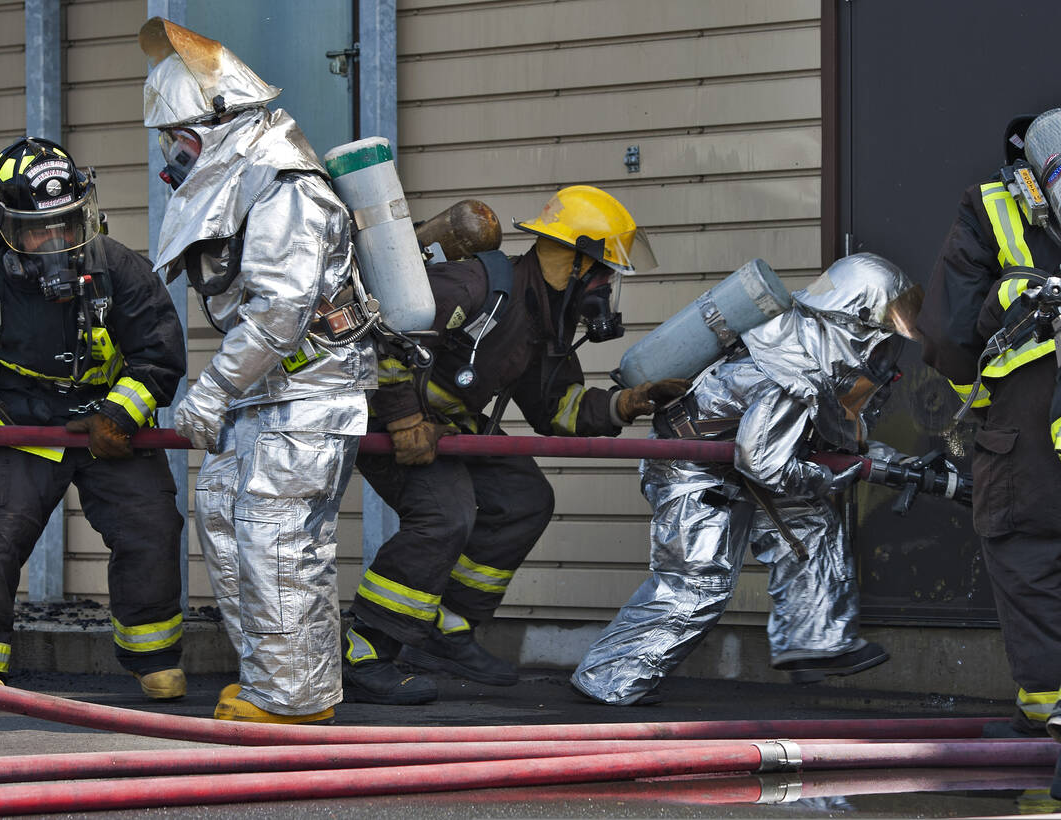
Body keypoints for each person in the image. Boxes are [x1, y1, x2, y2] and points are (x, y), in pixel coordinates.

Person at [344, 184, 690, 705]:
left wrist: (628, 402)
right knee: (445, 514)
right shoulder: (476, 285)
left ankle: (447, 628)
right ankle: (364, 650)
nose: (604, 286)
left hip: (450, 425)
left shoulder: (541, 321)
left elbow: (558, 407)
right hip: (386, 421)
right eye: (600, 271)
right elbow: (388, 336)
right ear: (568, 259)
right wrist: (404, 419)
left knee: (523, 497)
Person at [0, 136, 188, 706]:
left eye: (68, 223)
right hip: (18, 420)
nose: (56, 240)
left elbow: (158, 357)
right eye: (37, 228)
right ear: (6, 224)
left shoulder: (121, 269)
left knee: (151, 529)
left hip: (106, 424)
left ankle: (154, 659)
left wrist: (116, 418)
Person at [138, 18, 376, 724]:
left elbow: (282, 305)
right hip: (262, 391)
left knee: (277, 541)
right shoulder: (248, 178)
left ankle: (296, 701)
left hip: (308, 394)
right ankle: (270, 675)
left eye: (177, 142)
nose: (172, 161)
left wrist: (210, 390)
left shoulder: (285, 182)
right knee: (224, 520)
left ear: (213, 127)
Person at [572, 252, 917, 705]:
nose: (889, 342)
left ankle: (814, 643)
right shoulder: (797, 365)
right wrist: (828, 479)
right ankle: (608, 679)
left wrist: (887, 463)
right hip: (691, 467)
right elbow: (767, 463)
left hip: (732, 460)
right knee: (698, 584)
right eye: (886, 324)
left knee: (810, 528)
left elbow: (829, 437)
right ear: (856, 319)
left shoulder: (808, 339)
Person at [918, 109, 1061, 739]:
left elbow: (948, 336)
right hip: (1026, 432)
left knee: (1030, 556)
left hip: (1023, 436)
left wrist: (985, 408)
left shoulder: (992, 206)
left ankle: (1047, 705)